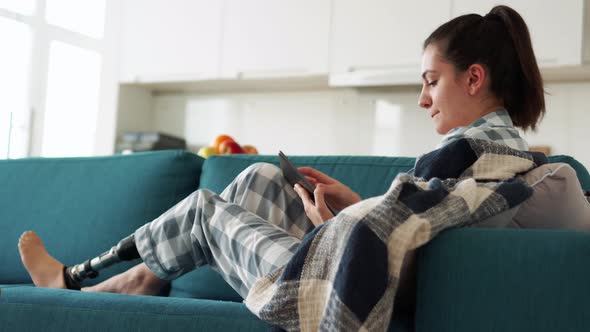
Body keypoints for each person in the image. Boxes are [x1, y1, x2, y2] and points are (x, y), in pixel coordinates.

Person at [18, 4, 545, 301]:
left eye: (432, 81)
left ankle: (78, 282)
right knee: (261, 178)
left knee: (205, 209)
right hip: (379, 269)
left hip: (356, 288)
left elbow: (409, 250)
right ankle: (135, 280)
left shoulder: (465, 153)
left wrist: (334, 219)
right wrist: (354, 205)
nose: (423, 98)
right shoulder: (498, 151)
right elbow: (426, 235)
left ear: (474, 78)